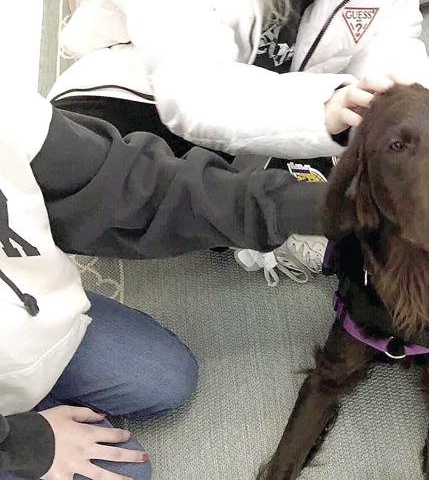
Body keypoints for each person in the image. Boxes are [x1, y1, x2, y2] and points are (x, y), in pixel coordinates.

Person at [0, 85, 327, 479]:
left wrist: (304, 207)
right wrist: (26, 444)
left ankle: (31, 390)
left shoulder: (8, 113)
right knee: (128, 472)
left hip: (26, 315)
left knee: (166, 378)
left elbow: (132, 186)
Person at [48, 0, 429, 283]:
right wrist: (325, 108)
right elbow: (194, 92)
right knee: (113, 187)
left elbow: (391, 47)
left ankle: (262, 193)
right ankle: (247, 216)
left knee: (371, 149)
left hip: (281, 86)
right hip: (141, 94)